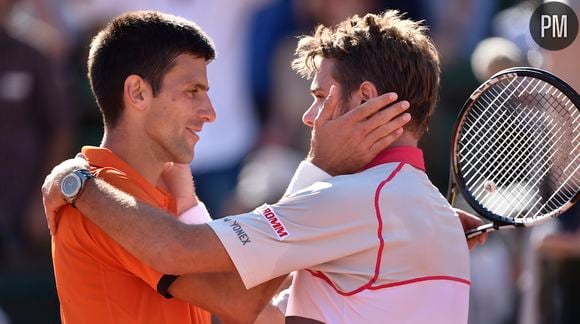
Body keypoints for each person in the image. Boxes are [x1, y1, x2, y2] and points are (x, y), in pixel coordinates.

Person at [43, 10, 486, 323]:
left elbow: (237, 301)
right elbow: (260, 313)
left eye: (318, 98)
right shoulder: (432, 216)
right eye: (192, 90)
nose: (309, 118)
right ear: (137, 94)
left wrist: (73, 183)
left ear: (367, 100)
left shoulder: (355, 200)